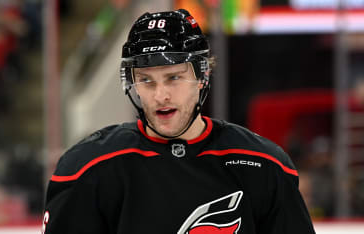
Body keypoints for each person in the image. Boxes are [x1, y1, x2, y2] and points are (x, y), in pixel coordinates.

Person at [42, 9, 316, 234]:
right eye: (147, 81)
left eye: (174, 78)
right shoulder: (88, 169)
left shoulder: (264, 166)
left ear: (202, 76)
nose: (161, 95)